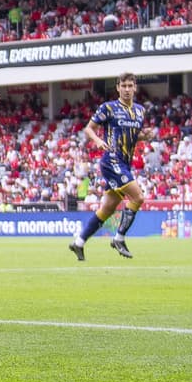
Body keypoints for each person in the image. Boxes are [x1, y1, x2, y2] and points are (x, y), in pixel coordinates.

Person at [69, 72, 154, 261]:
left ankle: (79, 242)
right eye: (123, 86)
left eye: (130, 86)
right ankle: (119, 238)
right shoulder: (108, 107)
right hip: (112, 160)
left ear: (135, 88)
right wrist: (98, 141)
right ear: (117, 88)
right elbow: (89, 128)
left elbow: (131, 136)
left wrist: (144, 136)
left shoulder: (140, 111)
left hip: (125, 163)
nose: (126, 89)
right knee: (138, 197)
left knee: (107, 208)